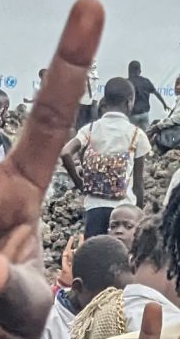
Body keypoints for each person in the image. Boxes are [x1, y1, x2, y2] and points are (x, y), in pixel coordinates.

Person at [63, 75, 152, 233]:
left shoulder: (89, 129)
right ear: (129, 102)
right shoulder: (136, 134)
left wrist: (79, 182)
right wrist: (138, 212)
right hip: (124, 210)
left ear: (105, 100)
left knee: (95, 254)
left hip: (94, 207)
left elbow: (65, 153)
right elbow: (138, 184)